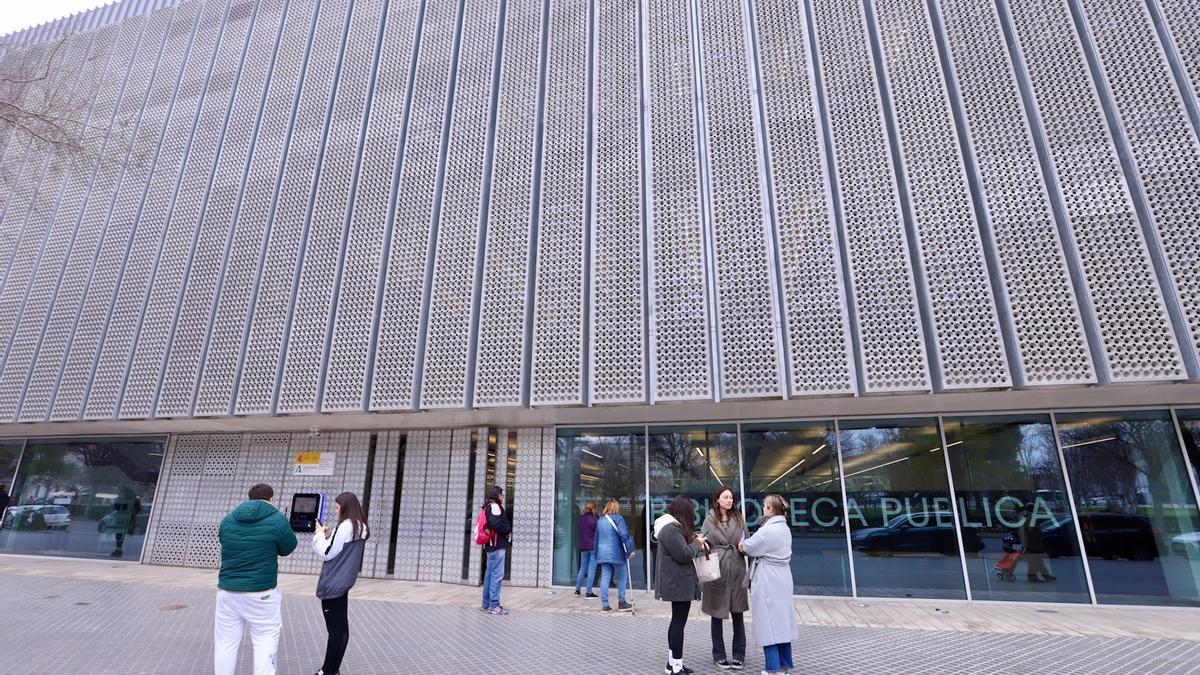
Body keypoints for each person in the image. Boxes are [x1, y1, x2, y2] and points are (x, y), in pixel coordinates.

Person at [214, 483, 298, 675]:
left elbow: (223, 540)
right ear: (271, 499)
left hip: (228, 592)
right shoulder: (277, 519)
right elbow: (288, 548)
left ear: (249, 498)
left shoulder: (229, 519)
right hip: (262, 593)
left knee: (225, 644)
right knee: (265, 640)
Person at [312, 492, 369, 675]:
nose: (336, 511)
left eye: (337, 507)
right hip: (344, 583)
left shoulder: (345, 526)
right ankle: (333, 669)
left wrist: (319, 536)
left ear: (345, 507)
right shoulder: (360, 526)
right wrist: (330, 534)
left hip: (333, 584)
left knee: (334, 631)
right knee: (342, 629)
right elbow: (341, 548)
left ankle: (326, 671)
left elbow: (327, 552)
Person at [739, 494, 797, 675]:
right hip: (783, 577)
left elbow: (748, 547)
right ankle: (784, 666)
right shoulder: (784, 528)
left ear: (771, 509)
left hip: (768, 579)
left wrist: (741, 544)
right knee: (782, 626)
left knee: (769, 626)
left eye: (764, 506)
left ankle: (773, 669)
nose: (763, 508)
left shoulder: (768, 530)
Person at [654, 495, 706, 675]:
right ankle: (676, 667)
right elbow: (683, 554)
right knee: (678, 623)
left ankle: (672, 664)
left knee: (677, 621)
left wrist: (691, 539)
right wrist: (697, 543)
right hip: (677, 583)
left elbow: (681, 548)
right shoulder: (670, 529)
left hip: (677, 582)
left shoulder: (672, 528)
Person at [701, 486, 749, 670]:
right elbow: (703, 541)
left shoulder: (739, 518)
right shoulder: (709, 518)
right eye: (725, 497)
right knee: (717, 613)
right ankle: (719, 655)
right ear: (718, 499)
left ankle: (739, 655)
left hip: (737, 569)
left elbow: (748, 540)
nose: (729, 500)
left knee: (738, 614)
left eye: (731, 497)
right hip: (717, 570)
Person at [595, 498, 636, 612]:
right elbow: (624, 535)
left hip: (602, 553)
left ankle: (605, 605)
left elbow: (596, 538)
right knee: (622, 576)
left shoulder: (600, 520)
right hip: (616, 552)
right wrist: (629, 550)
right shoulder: (619, 519)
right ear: (616, 507)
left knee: (605, 577)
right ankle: (621, 602)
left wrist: (596, 553)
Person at [480, 485, 512, 615]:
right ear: (497, 495)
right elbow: (496, 524)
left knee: (490, 573)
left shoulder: (488, 506)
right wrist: (507, 530)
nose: (503, 497)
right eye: (502, 495)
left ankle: (486, 603)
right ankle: (494, 605)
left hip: (491, 545)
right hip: (497, 545)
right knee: (496, 575)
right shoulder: (494, 506)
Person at [1019, 503, 1056, 583]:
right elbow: (1032, 529)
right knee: (1036, 560)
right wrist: (1039, 532)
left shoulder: (1025, 517)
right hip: (1033, 543)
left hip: (1029, 542)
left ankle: (1045, 576)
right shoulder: (1031, 517)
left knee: (1037, 561)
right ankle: (1033, 577)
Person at [575, 500, 599, 598]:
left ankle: (577, 590)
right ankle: (588, 592)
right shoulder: (596, 519)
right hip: (593, 547)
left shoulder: (580, 519)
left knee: (582, 568)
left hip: (583, 547)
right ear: (594, 508)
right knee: (592, 569)